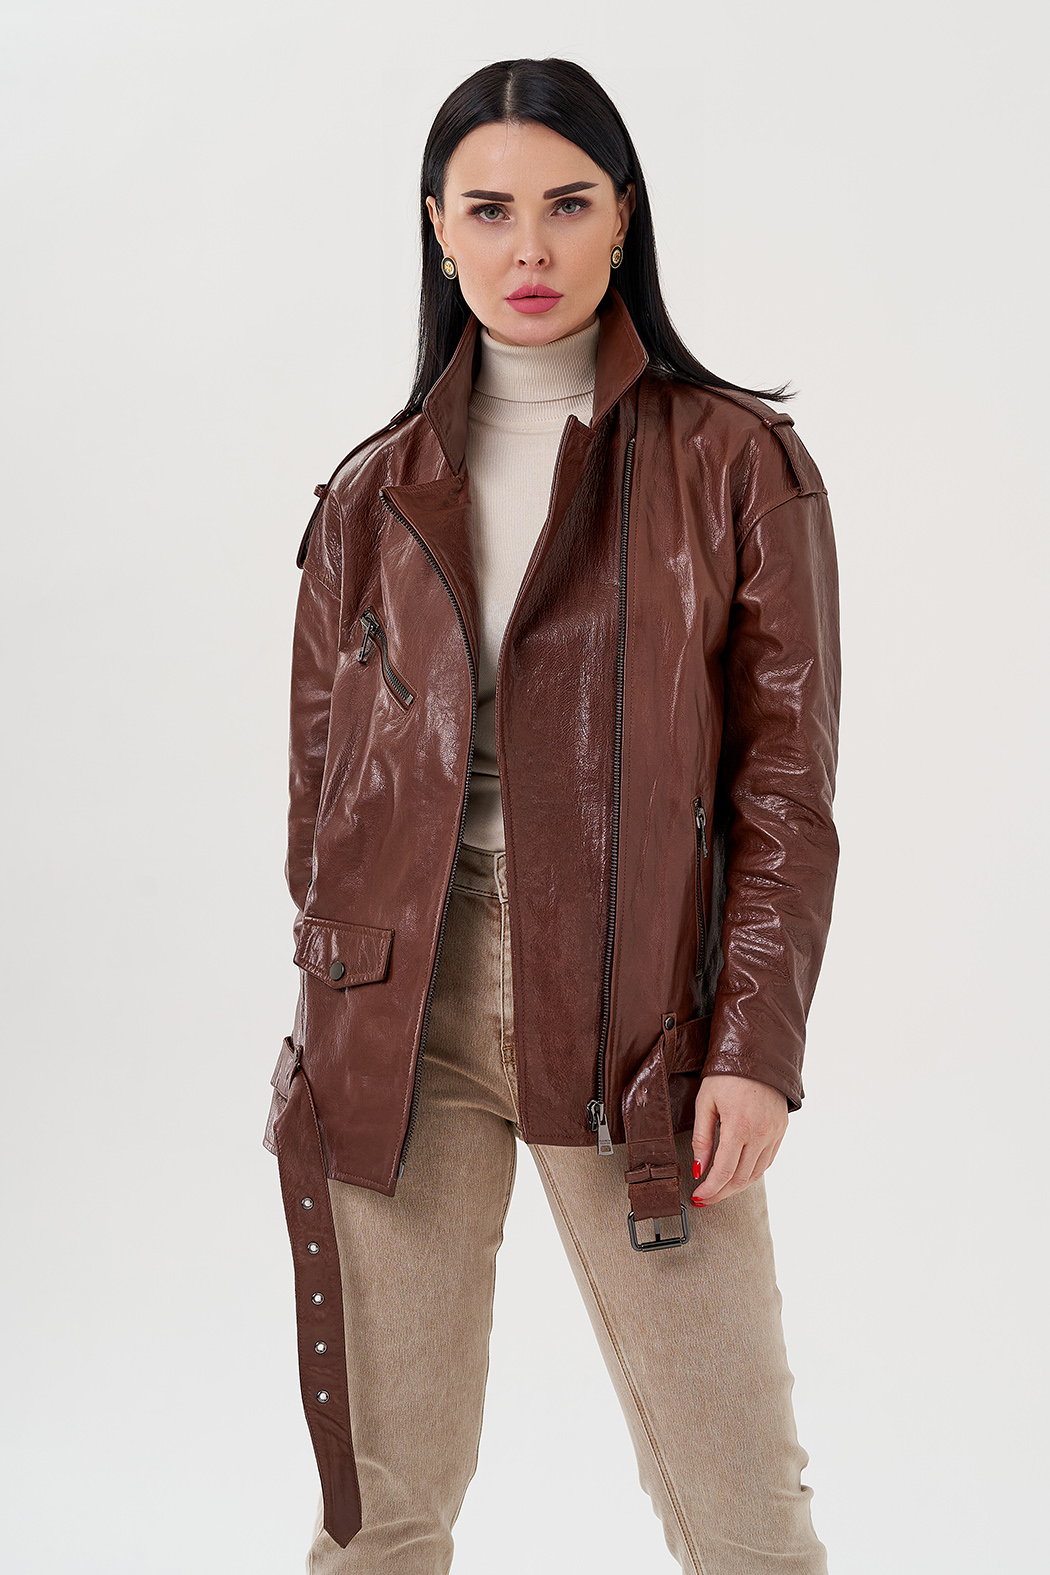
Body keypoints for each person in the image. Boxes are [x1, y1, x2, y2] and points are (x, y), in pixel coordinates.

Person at [264, 55, 841, 1575]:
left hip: (640, 1018)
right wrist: (336, 1002)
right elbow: (319, 790)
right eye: (490, 210)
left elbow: (786, 786)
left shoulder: (737, 462)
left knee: (744, 1517)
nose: (529, 247)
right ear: (437, 229)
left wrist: (753, 1046)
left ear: (623, 217)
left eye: (567, 204)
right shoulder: (373, 492)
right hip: (397, 1010)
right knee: (379, 1511)